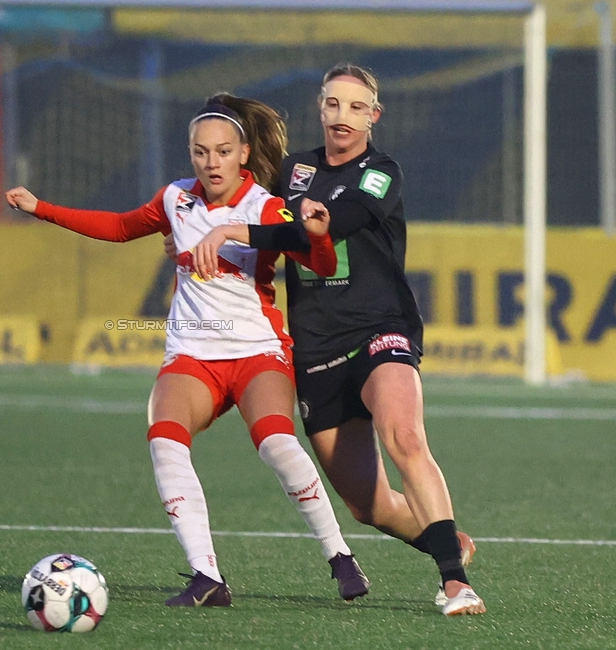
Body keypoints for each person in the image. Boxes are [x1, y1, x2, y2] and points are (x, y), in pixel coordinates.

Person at [6, 93, 371, 606]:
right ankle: (207, 577)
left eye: (222, 151)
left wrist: (318, 235)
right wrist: (40, 208)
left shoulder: (265, 207)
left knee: (275, 442)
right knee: (165, 441)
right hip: (192, 354)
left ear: (243, 154)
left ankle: (340, 556)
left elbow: (323, 265)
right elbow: (120, 227)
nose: (211, 162)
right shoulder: (176, 198)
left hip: (256, 351)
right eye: (201, 152)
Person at [189, 64, 485, 616]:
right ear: (320, 109)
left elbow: (335, 223)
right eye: (333, 104)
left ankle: (455, 583)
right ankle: (448, 542)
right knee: (368, 506)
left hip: (379, 329)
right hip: (316, 347)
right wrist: (187, 233)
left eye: (356, 106)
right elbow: (238, 193)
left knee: (405, 437)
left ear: (374, 116)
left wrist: (234, 231)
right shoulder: (295, 170)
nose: (343, 115)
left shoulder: (381, 172)